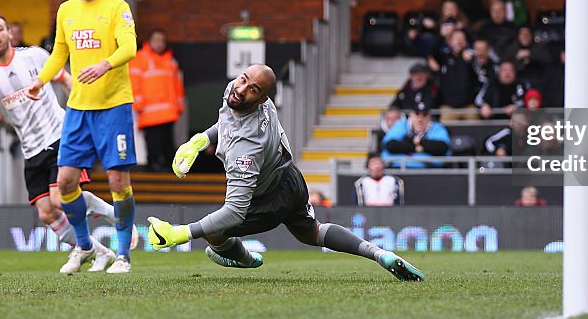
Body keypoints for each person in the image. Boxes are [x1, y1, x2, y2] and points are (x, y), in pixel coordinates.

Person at [146, 64, 424, 282]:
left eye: (252, 89)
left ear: (262, 98)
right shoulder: (245, 95)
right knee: (310, 232)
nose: (241, 89)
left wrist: (180, 233)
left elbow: (235, 211)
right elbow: (227, 122)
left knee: (214, 232)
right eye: (243, 79)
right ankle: (379, 254)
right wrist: (200, 141)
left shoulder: (247, 148)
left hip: (268, 198)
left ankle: (245, 259)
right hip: (290, 176)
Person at [0, 12, 126, 273]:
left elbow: (66, 80)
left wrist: (82, 113)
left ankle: (110, 211)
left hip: (60, 136)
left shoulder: (35, 56)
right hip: (31, 149)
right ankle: (98, 251)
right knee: (46, 212)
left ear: (9, 33)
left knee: (59, 199)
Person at [27, 0, 139, 274]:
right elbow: (58, 52)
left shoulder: (118, 8)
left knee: (118, 180)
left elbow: (130, 47)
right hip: (77, 108)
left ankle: (123, 256)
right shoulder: (66, 11)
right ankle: (85, 246)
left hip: (114, 105)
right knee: (64, 183)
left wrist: (106, 64)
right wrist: (40, 82)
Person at [130, 29, 185, 172]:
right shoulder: (140, 59)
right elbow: (134, 82)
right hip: (149, 111)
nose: (159, 44)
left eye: (162, 41)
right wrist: (138, 103)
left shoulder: (171, 61)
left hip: (169, 111)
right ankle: (155, 165)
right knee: (153, 142)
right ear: (149, 41)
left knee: (167, 142)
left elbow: (177, 86)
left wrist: (179, 106)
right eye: (156, 40)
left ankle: (167, 166)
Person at [380, 101, 451, 168]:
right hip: (398, 168)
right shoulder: (401, 125)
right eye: (417, 114)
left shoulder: (437, 127)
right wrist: (416, 147)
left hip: (428, 170)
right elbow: (390, 145)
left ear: (429, 116)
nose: (420, 119)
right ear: (411, 115)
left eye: (424, 115)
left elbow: (442, 147)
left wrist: (419, 141)